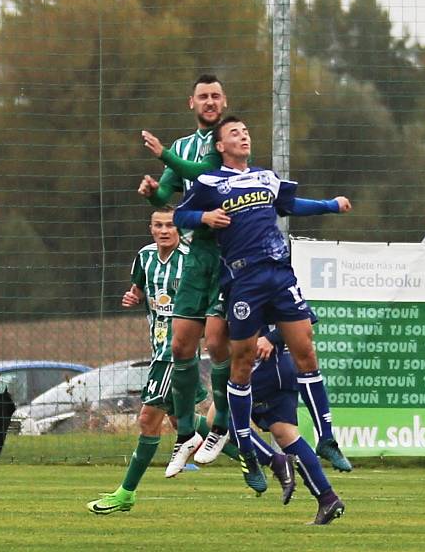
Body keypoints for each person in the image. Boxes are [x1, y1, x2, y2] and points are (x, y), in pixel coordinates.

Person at [142, 78, 353, 474]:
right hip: (226, 273)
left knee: (296, 348)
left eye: (245, 131)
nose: (242, 135)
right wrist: (183, 206)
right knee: (210, 353)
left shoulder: (263, 176)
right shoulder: (207, 174)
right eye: (234, 132)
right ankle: (218, 440)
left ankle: (319, 436)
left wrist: (330, 204)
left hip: (267, 272)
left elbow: (292, 203)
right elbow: (178, 204)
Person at [87, 208, 295, 513]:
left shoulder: (193, 260)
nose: (164, 230)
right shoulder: (144, 258)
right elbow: (139, 290)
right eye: (158, 225)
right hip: (157, 348)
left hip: (176, 354)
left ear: (180, 228)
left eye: (170, 225)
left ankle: (125, 493)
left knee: (147, 419)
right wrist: (133, 297)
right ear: (150, 228)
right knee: (180, 421)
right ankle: (263, 459)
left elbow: (207, 307)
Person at [137, 74, 234, 476]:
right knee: (181, 347)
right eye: (203, 97)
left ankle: (223, 425)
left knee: (216, 344)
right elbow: (167, 193)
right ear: (190, 103)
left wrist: (162, 155)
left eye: (215, 96)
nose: (210, 102)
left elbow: (202, 169)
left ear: (223, 101)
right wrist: (152, 193)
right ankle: (188, 434)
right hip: (194, 256)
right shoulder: (180, 146)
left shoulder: (225, 141)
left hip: (226, 253)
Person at [248, 327, 346, 525]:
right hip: (283, 365)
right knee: (286, 435)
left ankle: (274, 461)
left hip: (263, 365)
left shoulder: (250, 295)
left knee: (220, 419)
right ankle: (327, 498)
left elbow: (301, 319)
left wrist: (270, 337)